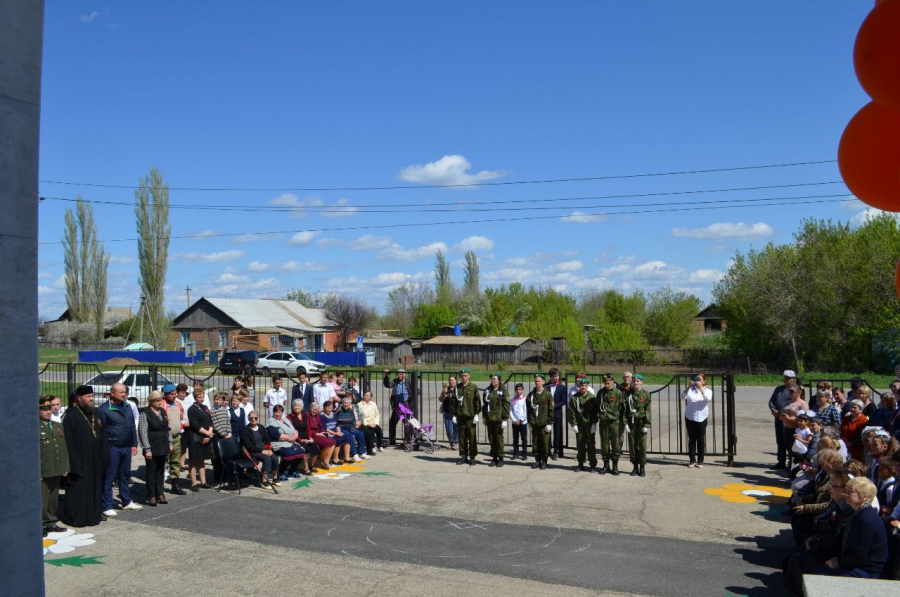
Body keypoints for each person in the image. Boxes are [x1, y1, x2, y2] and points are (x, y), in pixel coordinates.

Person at [782, 467, 855, 595]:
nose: (829, 488)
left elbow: (835, 538)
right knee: (790, 558)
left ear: (844, 489)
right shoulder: (837, 502)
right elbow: (824, 520)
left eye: (832, 485)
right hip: (823, 542)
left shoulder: (847, 509)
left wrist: (814, 541)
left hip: (833, 552)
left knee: (796, 562)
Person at [814, 477, 888, 579]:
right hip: (856, 564)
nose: (845, 494)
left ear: (864, 497)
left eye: (850, 492)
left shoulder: (866, 520)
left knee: (819, 573)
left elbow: (858, 554)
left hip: (867, 570)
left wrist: (838, 563)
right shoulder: (858, 513)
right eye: (846, 491)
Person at [61, 385, 109, 527]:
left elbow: (103, 437)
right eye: (88, 397)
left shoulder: (97, 414)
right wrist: (74, 463)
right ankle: (77, 518)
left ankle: (93, 516)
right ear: (79, 398)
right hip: (80, 460)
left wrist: (105, 457)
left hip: (95, 459)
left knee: (94, 488)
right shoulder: (71, 416)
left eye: (92, 396)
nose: (91, 399)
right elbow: (68, 442)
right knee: (79, 490)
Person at [96, 382, 142, 516]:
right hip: (112, 447)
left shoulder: (127, 406)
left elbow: (132, 426)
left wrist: (134, 444)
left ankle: (126, 501)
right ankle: (107, 505)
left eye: (125, 392)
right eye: (121, 392)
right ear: (112, 393)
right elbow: (101, 431)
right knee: (109, 476)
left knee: (125, 475)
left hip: (126, 447)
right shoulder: (104, 409)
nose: (124, 394)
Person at [39, 395, 68, 536]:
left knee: (53, 497)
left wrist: (65, 466)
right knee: (43, 499)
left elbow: (63, 448)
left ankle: (51, 521)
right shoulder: (36, 427)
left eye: (49, 408)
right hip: (44, 469)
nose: (48, 412)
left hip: (56, 468)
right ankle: (41, 523)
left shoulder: (57, 426)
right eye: (44, 409)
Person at [137, 391, 170, 506]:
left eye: (160, 400)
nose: (160, 402)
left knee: (161, 470)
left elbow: (167, 427)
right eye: (157, 400)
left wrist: (169, 442)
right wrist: (147, 449)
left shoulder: (163, 411)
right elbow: (143, 432)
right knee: (151, 471)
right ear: (151, 401)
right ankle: (151, 495)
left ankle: (160, 493)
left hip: (163, 445)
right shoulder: (145, 413)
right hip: (152, 446)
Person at [450, 368, 481, 465]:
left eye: (465, 375)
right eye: (462, 376)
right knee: (462, 438)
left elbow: (477, 402)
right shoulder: (457, 388)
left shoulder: (473, 387)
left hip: (470, 417)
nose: (464, 377)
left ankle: (472, 457)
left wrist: (476, 414)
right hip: (460, 416)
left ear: (469, 376)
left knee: (472, 438)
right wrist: (454, 414)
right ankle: (463, 456)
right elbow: (453, 402)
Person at [267, 404, 308, 479]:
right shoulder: (271, 422)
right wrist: (289, 438)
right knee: (290, 454)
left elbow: (294, 430)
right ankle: (281, 472)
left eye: (280, 412)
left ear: (282, 412)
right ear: (273, 412)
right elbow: (277, 435)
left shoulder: (285, 419)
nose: (278, 414)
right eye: (276, 412)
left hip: (290, 442)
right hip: (278, 444)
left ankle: (292, 470)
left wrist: (295, 436)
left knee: (302, 451)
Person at [186, 388, 214, 491]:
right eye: (199, 397)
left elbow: (210, 421)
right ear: (195, 397)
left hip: (205, 437)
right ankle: (193, 483)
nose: (201, 399)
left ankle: (203, 481)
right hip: (195, 437)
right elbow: (195, 425)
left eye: (202, 397)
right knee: (194, 460)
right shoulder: (192, 409)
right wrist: (208, 433)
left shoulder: (205, 407)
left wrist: (208, 435)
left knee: (201, 459)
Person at [240, 411, 276, 490]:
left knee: (274, 457)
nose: (253, 419)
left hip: (264, 449)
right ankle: (263, 480)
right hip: (253, 451)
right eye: (251, 418)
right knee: (267, 459)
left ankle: (275, 478)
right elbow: (249, 446)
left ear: (257, 418)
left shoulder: (261, 427)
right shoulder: (245, 430)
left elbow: (267, 440)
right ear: (249, 419)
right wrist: (262, 451)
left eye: (255, 418)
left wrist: (269, 449)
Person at [768, 370, 797, 469]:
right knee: (780, 440)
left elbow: (794, 404)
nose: (787, 380)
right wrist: (773, 409)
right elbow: (771, 401)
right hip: (777, 418)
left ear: (793, 379)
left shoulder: (795, 390)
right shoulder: (778, 388)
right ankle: (781, 461)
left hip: (788, 419)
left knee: (789, 441)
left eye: (789, 378)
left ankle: (791, 463)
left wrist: (781, 413)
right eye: (785, 377)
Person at [161, 384, 186, 495]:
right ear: (165, 394)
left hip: (176, 437)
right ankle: (159, 485)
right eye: (172, 394)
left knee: (175, 461)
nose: (174, 395)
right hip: (164, 439)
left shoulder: (178, 404)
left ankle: (175, 484)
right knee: (163, 461)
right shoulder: (161, 405)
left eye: (175, 393)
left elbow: (181, 417)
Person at [596, 373, 624, 475]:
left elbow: (622, 408)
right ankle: (606, 465)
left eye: (608, 381)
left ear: (612, 381)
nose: (606, 383)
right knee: (604, 444)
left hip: (614, 422)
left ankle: (615, 466)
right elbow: (597, 406)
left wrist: (624, 422)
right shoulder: (600, 393)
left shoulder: (618, 393)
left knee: (615, 444)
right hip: (604, 422)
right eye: (605, 381)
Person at [683, 374, 712, 468]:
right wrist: (688, 387)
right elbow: (682, 396)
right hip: (690, 417)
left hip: (702, 418)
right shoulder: (691, 390)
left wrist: (701, 388)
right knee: (691, 439)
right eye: (696, 379)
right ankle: (692, 460)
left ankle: (700, 460)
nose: (697, 381)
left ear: (704, 381)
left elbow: (708, 398)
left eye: (699, 379)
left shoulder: (708, 391)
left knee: (700, 439)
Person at [568, 378, 598, 472]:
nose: (583, 387)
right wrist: (574, 424)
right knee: (580, 445)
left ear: (587, 386)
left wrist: (594, 423)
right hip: (580, 425)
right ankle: (580, 464)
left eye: (585, 386)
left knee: (591, 445)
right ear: (579, 387)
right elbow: (571, 412)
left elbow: (595, 412)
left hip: (589, 425)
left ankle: (592, 465)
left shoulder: (592, 397)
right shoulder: (574, 397)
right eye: (581, 386)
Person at [482, 372, 511, 468]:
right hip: (490, 419)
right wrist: (484, 417)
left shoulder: (503, 390)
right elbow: (485, 405)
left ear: (499, 380)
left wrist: (505, 419)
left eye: (494, 379)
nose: (492, 380)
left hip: (499, 419)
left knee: (499, 440)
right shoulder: (487, 390)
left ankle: (501, 458)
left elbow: (506, 405)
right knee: (491, 439)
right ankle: (494, 458)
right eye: (491, 379)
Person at [626, 373, 652, 477]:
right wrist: (625, 422)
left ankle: (642, 467)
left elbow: (648, 410)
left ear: (641, 382)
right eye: (634, 381)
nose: (636, 383)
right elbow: (625, 410)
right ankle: (635, 467)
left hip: (641, 422)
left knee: (642, 445)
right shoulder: (628, 394)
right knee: (632, 445)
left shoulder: (646, 394)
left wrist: (647, 424)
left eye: (638, 381)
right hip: (632, 422)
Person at [527, 373, 554, 470]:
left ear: (543, 381)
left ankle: (544, 461)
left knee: (544, 443)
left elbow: (551, 410)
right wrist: (529, 422)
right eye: (535, 381)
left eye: (539, 381)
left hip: (544, 423)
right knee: (535, 442)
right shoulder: (531, 395)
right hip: (534, 423)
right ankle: (537, 460)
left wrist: (549, 423)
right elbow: (528, 409)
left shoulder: (547, 395)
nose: (537, 383)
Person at [287, 400, 321, 471]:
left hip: (305, 437)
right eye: (295, 406)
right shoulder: (290, 417)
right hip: (296, 438)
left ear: (302, 408)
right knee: (305, 449)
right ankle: (306, 468)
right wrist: (301, 440)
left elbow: (308, 428)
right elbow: (292, 431)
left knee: (316, 448)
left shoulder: (305, 416)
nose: (296, 407)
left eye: (298, 406)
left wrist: (309, 438)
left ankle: (311, 465)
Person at [780, 386, 810, 466]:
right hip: (786, 428)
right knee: (788, 448)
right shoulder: (787, 402)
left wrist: (789, 419)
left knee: (795, 448)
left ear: (799, 392)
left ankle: (795, 465)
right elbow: (781, 413)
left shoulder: (802, 404)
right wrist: (782, 417)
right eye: (789, 391)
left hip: (795, 429)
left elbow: (804, 419)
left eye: (792, 391)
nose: (790, 393)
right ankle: (790, 464)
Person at [384, 368, 414, 447]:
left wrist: (411, 398)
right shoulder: (395, 381)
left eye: (401, 374)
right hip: (397, 405)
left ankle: (407, 440)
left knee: (407, 423)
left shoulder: (408, 382)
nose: (399, 375)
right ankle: (392, 440)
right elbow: (387, 384)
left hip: (406, 405)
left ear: (404, 375)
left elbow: (417, 390)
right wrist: (386, 375)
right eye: (398, 374)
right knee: (392, 422)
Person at [209, 391, 233, 485]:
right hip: (218, 437)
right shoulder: (212, 411)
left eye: (220, 399)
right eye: (216, 399)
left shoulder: (225, 410)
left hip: (227, 435)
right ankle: (217, 478)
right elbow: (215, 424)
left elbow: (227, 422)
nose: (218, 401)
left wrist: (229, 432)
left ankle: (226, 476)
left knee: (226, 457)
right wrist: (224, 434)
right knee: (218, 457)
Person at [337, 396, 368, 461]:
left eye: (347, 403)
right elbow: (336, 421)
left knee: (360, 434)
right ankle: (354, 454)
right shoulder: (339, 411)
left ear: (350, 404)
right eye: (344, 403)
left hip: (350, 428)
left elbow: (353, 420)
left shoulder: (351, 411)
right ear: (342, 403)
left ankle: (362, 452)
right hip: (342, 428)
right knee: (350, 436)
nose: (346, 405)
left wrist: (353, 429)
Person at [306, 402, 335, 470]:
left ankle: (326, 461)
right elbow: (307, 429)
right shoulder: (307, 416)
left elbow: (321, 426)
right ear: (310, 409)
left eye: (316, 410)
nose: (314, 411)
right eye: (313, 409)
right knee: (328, 443)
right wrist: (318, 434)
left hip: (319, 433)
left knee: (333, 441)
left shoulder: (318, 416)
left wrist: (324, 432)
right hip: (312, 435)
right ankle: (322, 461)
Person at [321, 400, 352, 465]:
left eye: (331, 408)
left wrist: (338, 431)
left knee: (347, 437)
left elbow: (337, 424)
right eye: (328, 408)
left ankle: (347, 458)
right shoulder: (322, 415)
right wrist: (335, 433)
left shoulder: (333, 414)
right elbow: (325, 428)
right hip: (329, 433)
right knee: (338, 440)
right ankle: (335, 459)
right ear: (324, 408)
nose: (329, 410)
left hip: (335, 431)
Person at [546, 367, 567, 460]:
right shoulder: (546, 387)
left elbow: (564, 401)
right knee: (547, 431)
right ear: (550, 376)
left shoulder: (562, 387)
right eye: (555, 376)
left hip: (557, 412)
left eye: (558, 376)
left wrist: (555, 406)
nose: (557, 378)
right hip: (547, 413)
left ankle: (556, 451)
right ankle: (548, 449)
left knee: (557, 432)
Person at [439, 376, 459, 449]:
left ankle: (454, 442)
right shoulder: (446, 389)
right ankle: (451, 441)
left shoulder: (458, 389)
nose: (451, 382)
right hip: (447, 411)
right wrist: (444, 395)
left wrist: (452, 396)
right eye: (450, 380)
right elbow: (440, 399)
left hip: (456, 412)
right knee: (448, 429)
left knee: (456, 428)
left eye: (453, 380)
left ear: (456, 381)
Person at [509, 382, 528, 461]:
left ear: (522, 390)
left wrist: (521, 420)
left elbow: (525, 411)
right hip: (515, 422)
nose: (518, 391)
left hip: (522, 422)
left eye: (520, 389)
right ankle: (516, 453)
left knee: (524, 438)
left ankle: (524, 454)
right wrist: (514, 420)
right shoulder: (513, 399)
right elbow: (510, 410)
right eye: (517, 389)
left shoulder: (525, 399)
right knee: (515, 438)